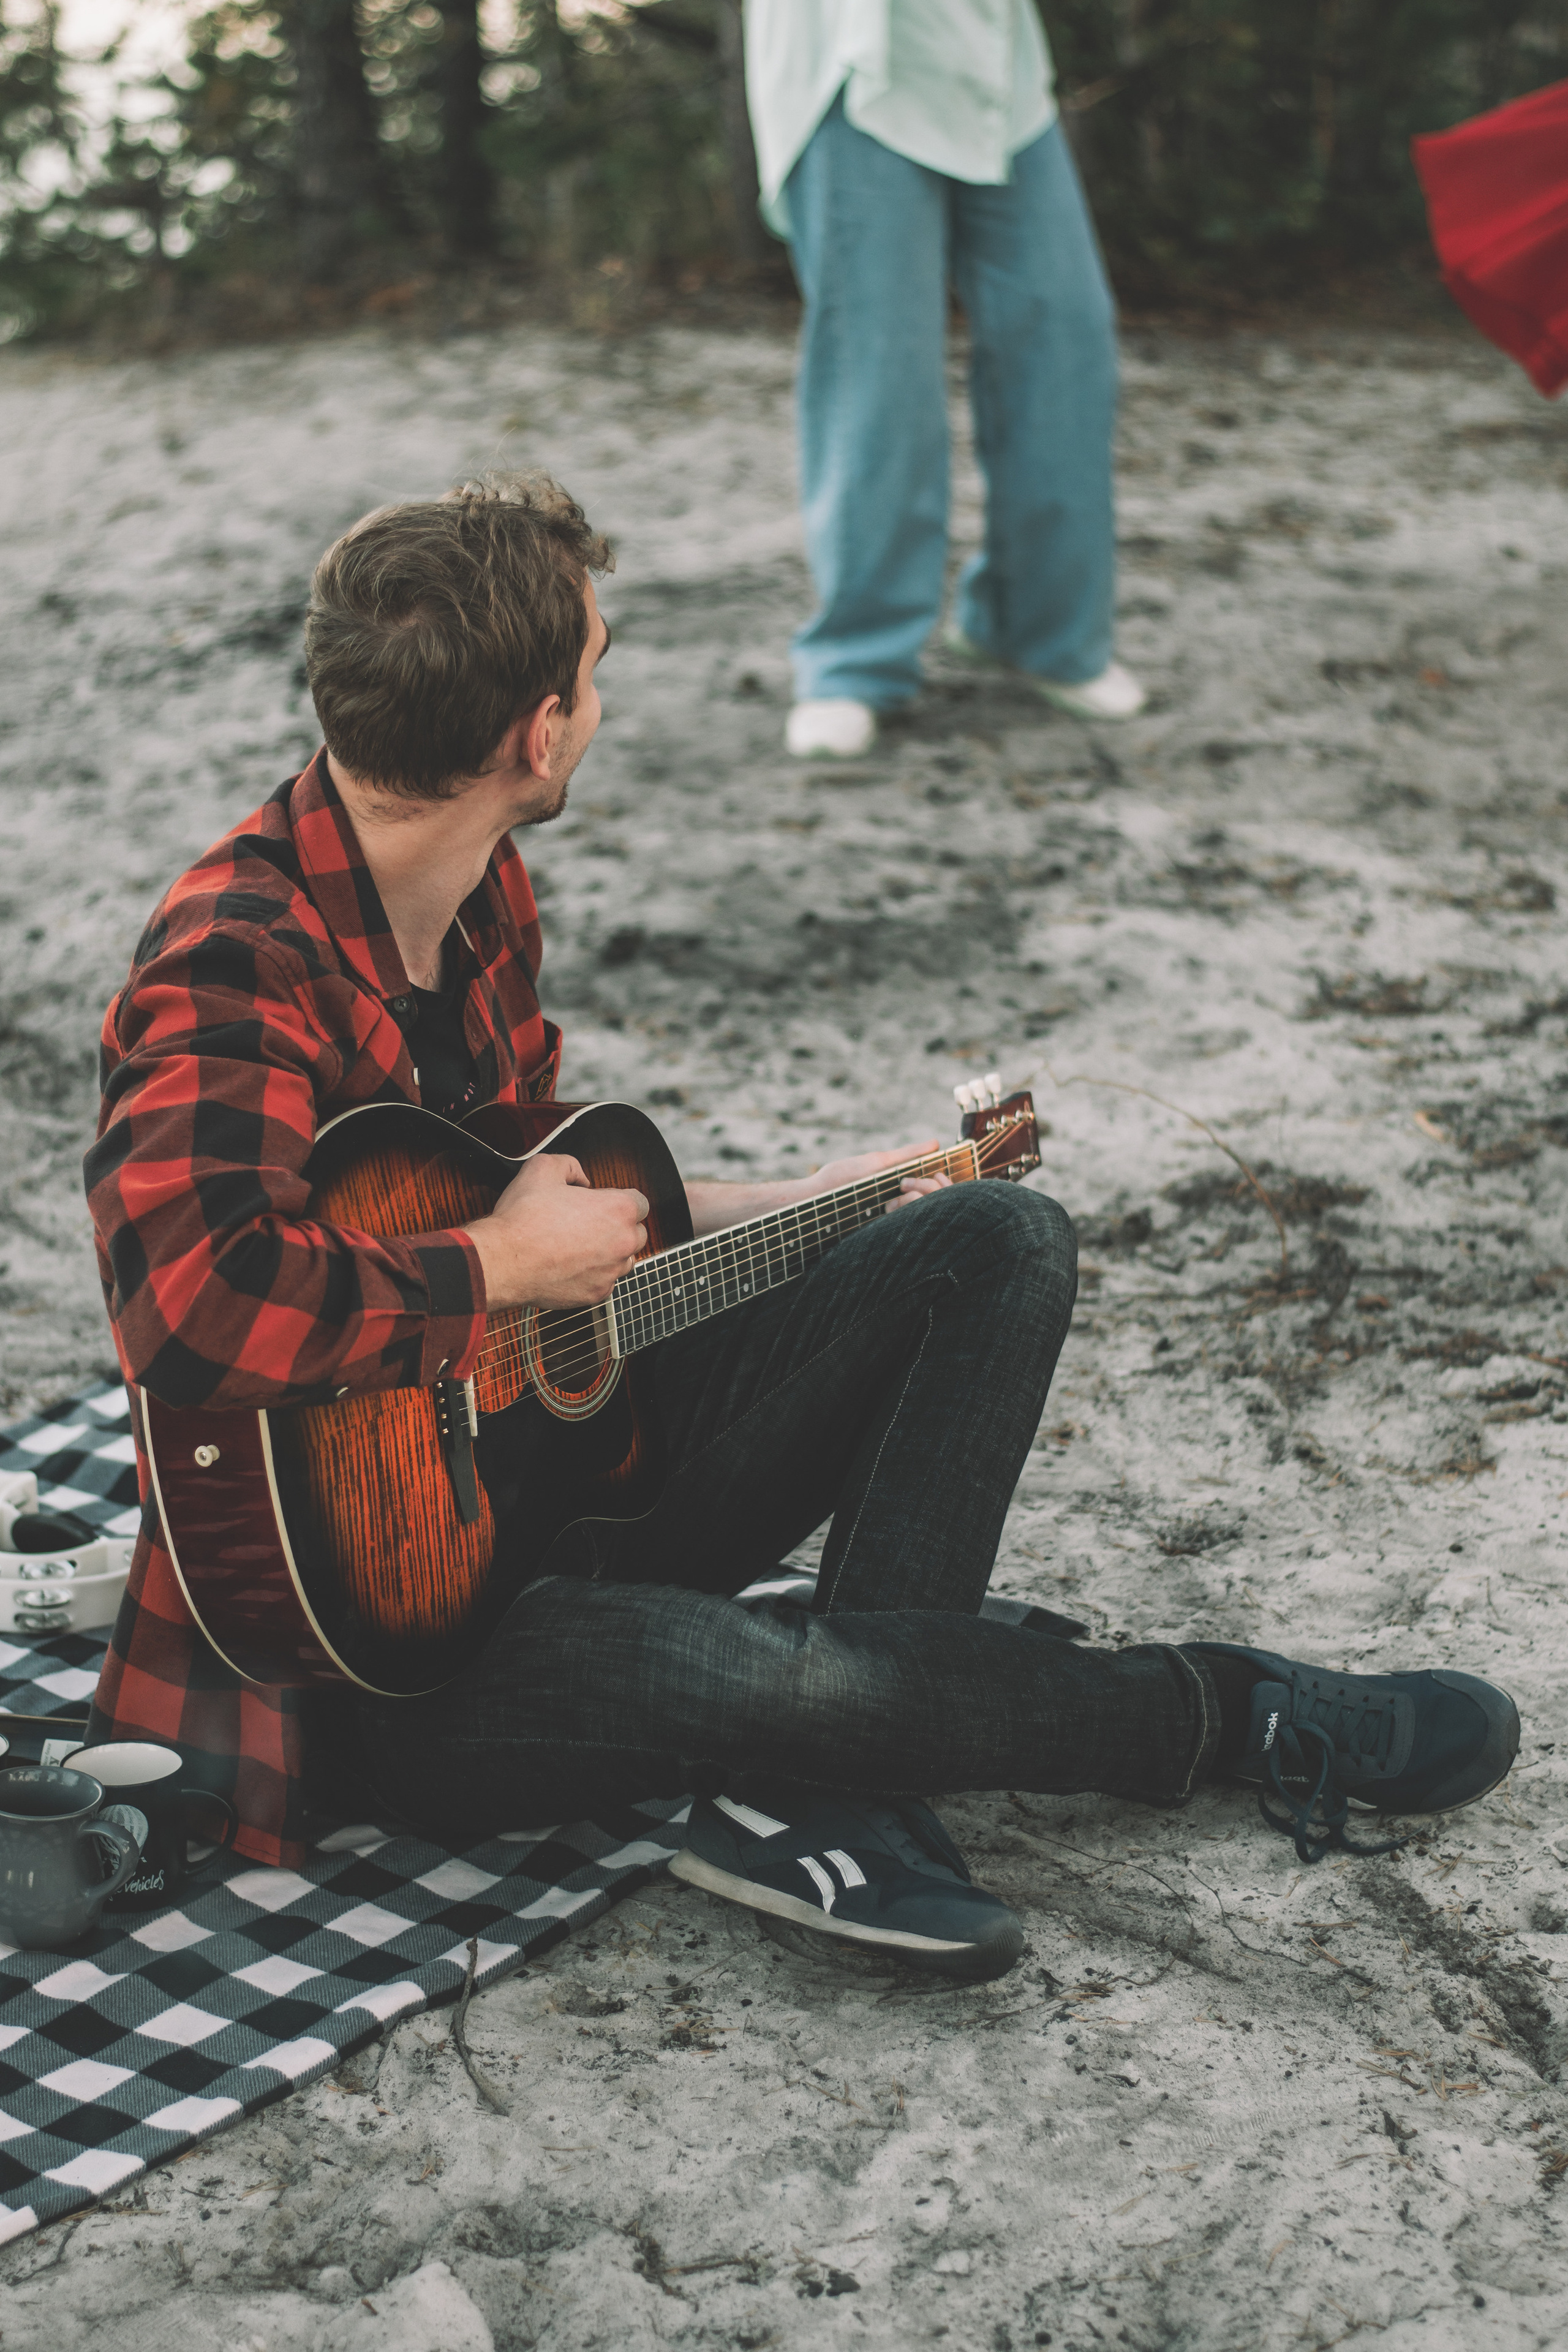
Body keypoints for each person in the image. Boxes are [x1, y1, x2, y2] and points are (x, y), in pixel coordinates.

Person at [83, 476, 1518, 1982]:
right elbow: (187, 1306)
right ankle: (1239, 1714)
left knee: (997, 1236)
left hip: (566, 1485)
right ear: (538, 734)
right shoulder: (232, 960)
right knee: (768, 1674)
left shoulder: (478, 888)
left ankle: (845, 1785)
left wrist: (831, 1197)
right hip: (375, 1662)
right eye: (596, 663)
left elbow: (549, 1206)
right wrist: (498, 1266)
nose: (598, 691)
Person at [744, 0, 1145, 761]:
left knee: (1066, 337)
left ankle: (1037, 628)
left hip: (999, 75)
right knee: (880, 370)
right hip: (852, 68)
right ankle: (855, 661)